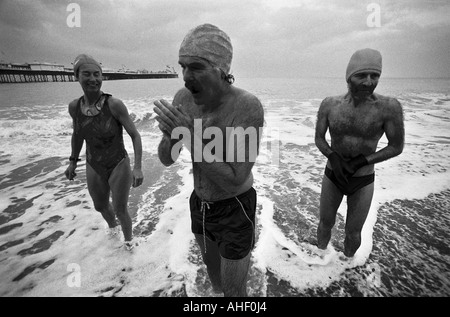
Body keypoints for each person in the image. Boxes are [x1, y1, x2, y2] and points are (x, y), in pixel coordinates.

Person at [153, 24, 264, 296]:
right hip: (200, 204)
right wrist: (171, 135)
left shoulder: (247, 106)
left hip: (235, 206)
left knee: (233, 291)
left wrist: (190, 136)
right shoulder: (183, 99)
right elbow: (167, 159)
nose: (186, 77)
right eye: (183, 66)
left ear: (221, 69)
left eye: (196, 67)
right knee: (214, 280)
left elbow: (235, 177)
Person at [314, 48, 404, 258]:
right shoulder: (330, 105)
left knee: (353, 233)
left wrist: (363, 161)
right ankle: (318, 261)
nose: (368, 82)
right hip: (333, 176)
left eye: (375, 76)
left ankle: (347, 270)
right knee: (325, 224)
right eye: (361, 75)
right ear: (349, 77)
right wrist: (333, 157)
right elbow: (319, 138)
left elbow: (396, 146)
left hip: (362, 180)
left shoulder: (388, 108)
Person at [65, 54, 144, 251]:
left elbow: (135, 135)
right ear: (77, 77)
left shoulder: (113, 104)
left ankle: (129, 244)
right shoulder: (75, 107)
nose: (93, 79)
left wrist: (138, 167)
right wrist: (73, 161)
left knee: (120, 208)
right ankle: (113, 231)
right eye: (86, 74)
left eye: (97, 74)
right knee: (100, 206)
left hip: (118, 162)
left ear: (102, 77)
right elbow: (77, 135)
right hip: (93, 162)